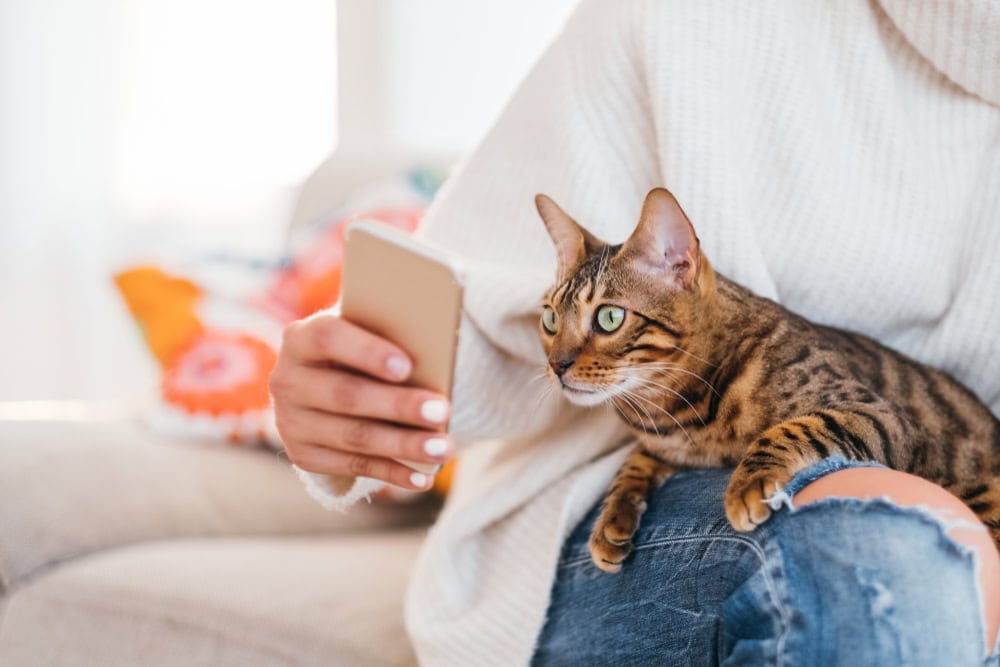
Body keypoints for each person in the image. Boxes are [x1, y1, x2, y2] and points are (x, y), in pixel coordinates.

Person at [269, 1, 1000, 664]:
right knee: (884, 553)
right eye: (561, 325)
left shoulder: (766, 359)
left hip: (942, 471)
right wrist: (368, 377)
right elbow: (471, 318)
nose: (565, 354)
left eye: (603, 322)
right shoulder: (669, 21)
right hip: (641, 523)